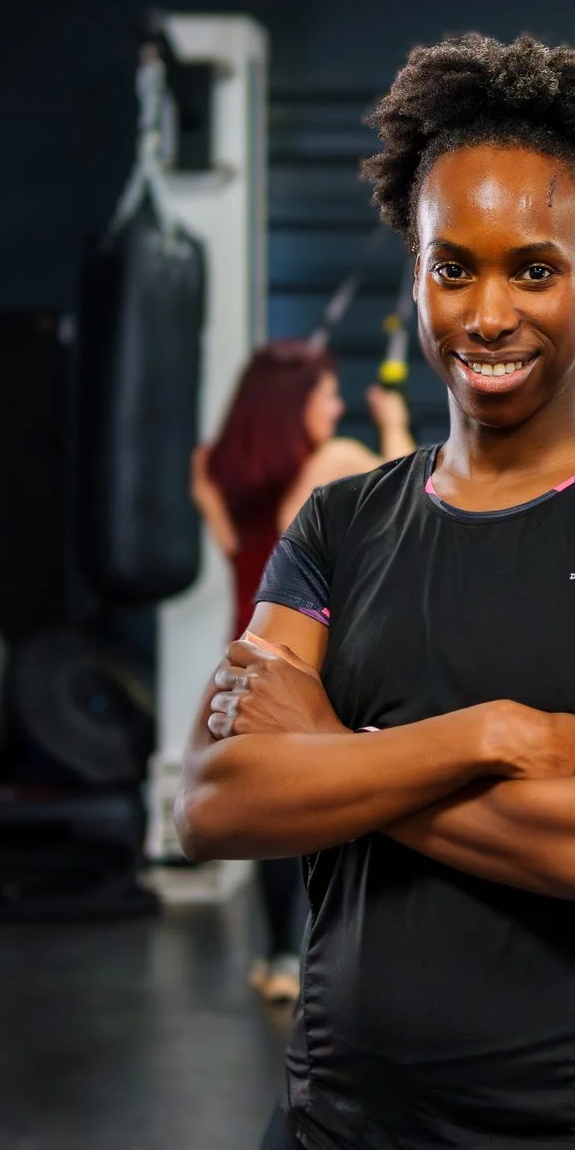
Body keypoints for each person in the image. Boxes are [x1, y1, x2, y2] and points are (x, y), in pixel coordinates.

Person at [177, 33, 575, 1150]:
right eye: (455, 266)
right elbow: (211, 803)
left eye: (534, 268)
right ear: (417, 272)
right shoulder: (337, 524)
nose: (488, 311)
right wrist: (482, 732)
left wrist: (326, 747)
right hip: (342, 1134)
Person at [191, 338, 415, 1004]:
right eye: (326, 394)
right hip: (309, 666)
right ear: (296, 406)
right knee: (328, 808)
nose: (337, 404)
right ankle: (331, 954)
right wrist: (393, 418)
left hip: (244, 666)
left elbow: (235, 549)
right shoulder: (335, 460)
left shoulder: (215, 475)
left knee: (269, 811)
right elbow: (417, 494)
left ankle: (278, 955)